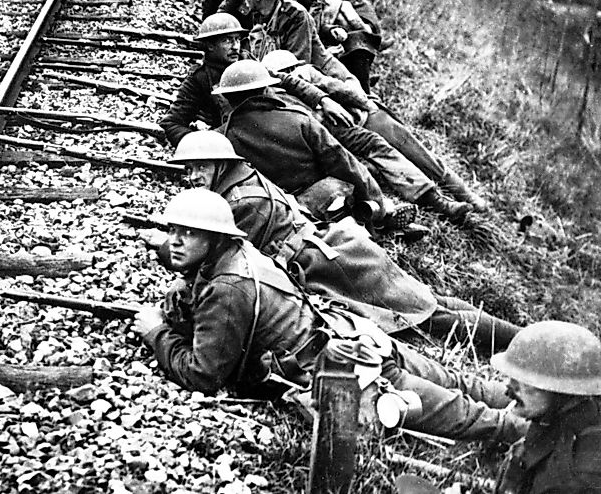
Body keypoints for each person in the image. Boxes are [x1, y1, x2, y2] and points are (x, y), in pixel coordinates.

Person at [132, 188, 528, 443]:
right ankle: (533, 407)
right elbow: (198, 290)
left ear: (215, 238)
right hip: (352, 334)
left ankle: (534, 432)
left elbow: (203, 374)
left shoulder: (227, 288)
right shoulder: (239, 256)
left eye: (188, 233)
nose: (175, 241)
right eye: (173, 232)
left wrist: (156, 335)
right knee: (459, 384)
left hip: (342, 369)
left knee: (465, 416)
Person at [146, 130, 517, 350]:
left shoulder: (242, 202)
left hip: (327, 262)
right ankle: (521, 339)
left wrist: (164, 246)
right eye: (189, 169)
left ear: (221, 164)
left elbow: (216, 261)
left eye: (200, 167)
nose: (192, 176)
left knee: (425, 316)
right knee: (425, 304)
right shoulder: (242, 182)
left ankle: (518, 343)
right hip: (331, 249)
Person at [215, 60, 472, 224]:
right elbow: (340, 161)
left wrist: (330, 102)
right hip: (312, 149)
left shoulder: (228, 130)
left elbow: (319, 89)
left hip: (327, 129)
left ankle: (434, 200)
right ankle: (382, 212)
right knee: (350, 173)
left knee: (374, 145)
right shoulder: (274, 109)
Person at [262, 50, 490, 211]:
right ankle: (425, 201)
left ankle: (448, 196)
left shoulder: (307, 76)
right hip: (326, 139)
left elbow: (343, 91)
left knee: (397, 146)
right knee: (371, 156)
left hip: (352, 123)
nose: (295, 73)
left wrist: (362, 103)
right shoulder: (276, 96)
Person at [159, 14, 345, 148]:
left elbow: (286, 80)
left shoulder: (247, 62)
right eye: (227, 41)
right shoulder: (199, 79)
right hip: (247, 141)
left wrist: (322, 99)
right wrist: (201, 144)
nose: (235, 46)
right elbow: (171, 123)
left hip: (279, 124)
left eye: (236, 39)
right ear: (210, 46)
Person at [491, 321, 601, 493]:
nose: (508, 389)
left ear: (562, 389)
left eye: (523, 381)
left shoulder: (577, 473)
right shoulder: (559, 420)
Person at [284, 0, 381, 93]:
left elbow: (316, 27)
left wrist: (331, 30)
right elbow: (292, 47)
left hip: (316, 51)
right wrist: (326, 53)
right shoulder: (282, 4)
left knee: (356, 40)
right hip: (297, 64)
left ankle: (364, 88)